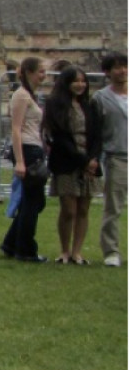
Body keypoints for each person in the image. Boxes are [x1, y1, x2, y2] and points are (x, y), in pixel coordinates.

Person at [43, 66, 101, 265]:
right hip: (67, 161)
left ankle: (77, 252)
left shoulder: (90, 105)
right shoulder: (55, 105)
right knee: (69, 209)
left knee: (84, 209)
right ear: (66, 83)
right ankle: (64, 251)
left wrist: (93, 159)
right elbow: (58, 136)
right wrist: (83, 160)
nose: (80, 84)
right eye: (76, 81)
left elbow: (97, 135)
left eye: (83, 81)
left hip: (89, 162)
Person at [0, 58, 49, 262]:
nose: (44, 75)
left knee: (33, 201)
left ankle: (11, 243)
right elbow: (16, 129)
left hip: (34, 149)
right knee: (32, 202)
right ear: (28, 72)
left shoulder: (30, 95)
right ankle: (25, 249)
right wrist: (20, 161)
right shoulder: (21, 96)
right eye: (40, 71)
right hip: (27, 151)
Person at [92, 53, 128, 267]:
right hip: (118, 156)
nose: (122, 71)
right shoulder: (100, 98)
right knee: (114, 207)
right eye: (116, 67)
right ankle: (111, 251)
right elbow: (96, 132)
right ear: (107, 72)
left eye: (124, 66)